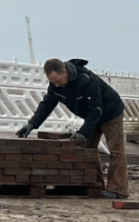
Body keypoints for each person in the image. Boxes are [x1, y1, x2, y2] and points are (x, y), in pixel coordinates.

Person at [16, 58, 129, 199]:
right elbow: (47, 104)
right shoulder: (55, 86)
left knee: (116, 150)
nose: (56, 84)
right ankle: (95, 185)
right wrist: (32, 124)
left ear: (64, 72)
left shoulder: (87, 81)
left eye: (57, 80)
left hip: (110, 112)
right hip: (91, 115)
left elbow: (96, 110)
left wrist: (83, 132)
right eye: (52, 81)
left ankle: (118, 190)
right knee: (88, 150)